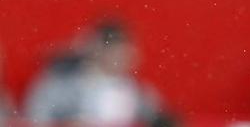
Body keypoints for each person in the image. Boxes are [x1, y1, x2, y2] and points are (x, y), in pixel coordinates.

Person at [24, 21, 166, 126]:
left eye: (124, 52)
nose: (121, 58)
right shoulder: (59, 85)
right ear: (97, 49)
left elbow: (163, 120)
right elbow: (35, 119)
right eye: (114, 51)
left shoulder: (137, 92)